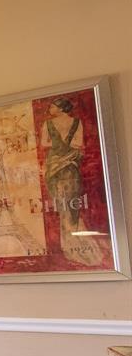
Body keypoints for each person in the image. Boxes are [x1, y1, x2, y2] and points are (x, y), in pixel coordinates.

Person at [40, 97, 102, 266]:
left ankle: (69, 246)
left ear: (60, 108)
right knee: (71, 204)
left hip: (53, 165)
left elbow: (45, 143)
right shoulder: (77, 123)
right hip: (71, 164)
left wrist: (57, 146)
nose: (50, 110)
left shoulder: (47, 124)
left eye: (52, 107)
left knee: (62, 205)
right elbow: (78, 145)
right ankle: (73, 245)